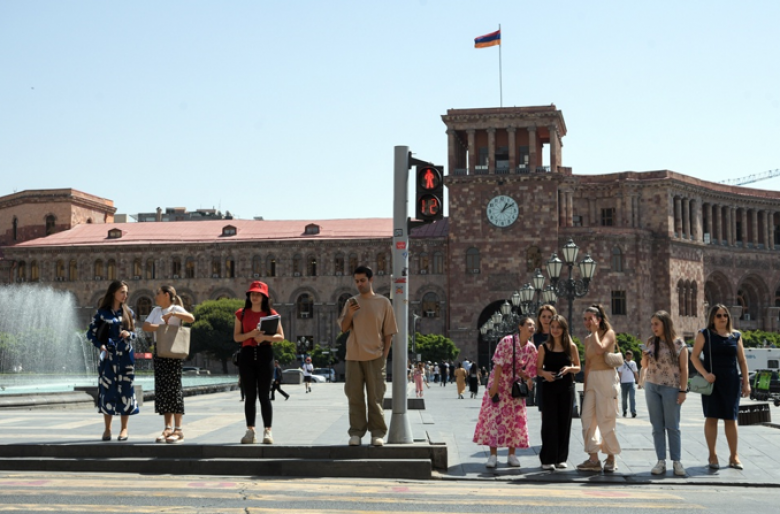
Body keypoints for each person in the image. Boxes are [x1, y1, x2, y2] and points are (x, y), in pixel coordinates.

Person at [338, 266, 398, 447]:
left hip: (375, 357)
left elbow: (389, 333)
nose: (359, 284)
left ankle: (377, 433)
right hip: (353, 357)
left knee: (375, 397)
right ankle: (356, 433)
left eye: (362, 280)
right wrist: (350, 313)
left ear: (371, 280)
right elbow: (343, 328)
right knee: (354, 397)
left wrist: (384, 356)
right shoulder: (351, 302)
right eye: (356, 281)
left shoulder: (383, 302)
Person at [690, 304, 751, 470]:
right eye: (719, 315)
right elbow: (694, 357)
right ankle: (713, 455)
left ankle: (734, 456)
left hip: (731, 381)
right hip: (712, 382)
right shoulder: (705, 334)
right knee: (712, 418)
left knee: (731, 418)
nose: (723, 318)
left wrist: (746, 382)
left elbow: (742, 360)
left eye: (725, 315)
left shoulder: (736, 336)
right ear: (712, 318)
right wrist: (705, 374)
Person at [473, 314, 537, 468]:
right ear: (520, 327)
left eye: (533, 325)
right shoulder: (507, 341)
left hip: (514, 386)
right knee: (495, 417)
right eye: (528, 324)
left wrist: (527, 378)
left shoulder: (531, 348)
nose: (532, 327)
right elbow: (498, 364)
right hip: (500, 382)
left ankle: (512, 454)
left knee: (514, 419)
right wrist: (494, 386)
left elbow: (529, 370)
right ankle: (493, 455)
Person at [86, 280, 139, 441]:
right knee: (107, 390)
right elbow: (91, 334)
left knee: (126, 391)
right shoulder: (102, 313)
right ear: (113, 293)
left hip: (125, 358)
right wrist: (100, 346)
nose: (125, 295)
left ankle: (124, 429)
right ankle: (107, 429)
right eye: (122, 292)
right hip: (108, 358)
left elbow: (135, 333)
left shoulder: (129, 312)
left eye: (126, 292)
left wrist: (129, 334)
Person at [142, 285, 195, 444]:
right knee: (163, 389)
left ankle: (178, 429)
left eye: (158, 293)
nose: (155, 296)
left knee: (174, 388)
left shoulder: (176, 308)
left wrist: (173, 315)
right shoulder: (156, 311)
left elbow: (191, 318)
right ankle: (167, 427)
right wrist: (162, 327)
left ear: (166, 295)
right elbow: (145, 326)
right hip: (160, 351)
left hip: (173, 352)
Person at [234, 281, 284, 445]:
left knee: (264, 395)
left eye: (258, 294)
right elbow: (237, 337)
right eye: (252, 294)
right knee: (249, 396)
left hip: (265, 354)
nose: (255, 297)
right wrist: (251, 334)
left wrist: (264, 338)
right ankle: (250, 430)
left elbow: (280, 336)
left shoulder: (271, 314)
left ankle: (268, 431)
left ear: (264, 297)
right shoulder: (241, 313)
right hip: (247, 354)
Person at [641, 310, 688, 476]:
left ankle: (677, 462)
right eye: (652, 324)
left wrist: (683, 391)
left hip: (671, 387)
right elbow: (644, 365)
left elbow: (684, 369)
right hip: (652, 386)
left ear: (665, 324)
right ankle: (660, 461)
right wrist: (644, 356)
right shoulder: (651, 341)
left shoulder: (679, 344)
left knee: (672, 426)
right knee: (657, 426)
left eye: (656, 324)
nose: (653, 327)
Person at [577, 304, 621, 473]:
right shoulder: (588, 338)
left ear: (599, 320)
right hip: (593, 379)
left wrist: (595, 332)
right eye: (585, 319)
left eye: (590, 319)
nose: (587, 322)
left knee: (606, 419)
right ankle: (593, 458)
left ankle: (611, 457)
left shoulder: (608, 333)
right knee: (587, 418)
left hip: (607, 377)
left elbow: (600, 349)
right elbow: (588, 364)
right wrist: (585, 386)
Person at [536, 314, 581, 470]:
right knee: (549, 423)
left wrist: (569, 369)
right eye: (553, 327)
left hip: (566, 388)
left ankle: (561, 458)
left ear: (564, 329)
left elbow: (578, 367)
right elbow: (538, 369)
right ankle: (547, 459)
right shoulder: (543, 347)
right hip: (549, 387)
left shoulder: (571, 347)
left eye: (558, 327)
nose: (555, 330)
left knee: (564, 422)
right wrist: (545, 374)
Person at [533, 304, 557, 411]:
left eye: (549, 317)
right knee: (545, 411)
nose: (546, 319)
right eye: (543, 316)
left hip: (557, 375)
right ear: (539, 318)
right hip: (542, 377)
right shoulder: (535, 337)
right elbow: (533, 359)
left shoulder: (559, 334)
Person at [618, 351, 639, 418]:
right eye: (628, 355)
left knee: (632, 397)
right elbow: (620, 373)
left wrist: (638, 381)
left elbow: (635, 372)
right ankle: (624, 411)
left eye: (630, 356)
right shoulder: (622, 363)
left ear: (632, 356)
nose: (629, 357)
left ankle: (633, 411)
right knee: (624, 398)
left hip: (631, 382)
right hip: (624, 382)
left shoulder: (633, 363)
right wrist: (618, 381)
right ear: (626, 356)